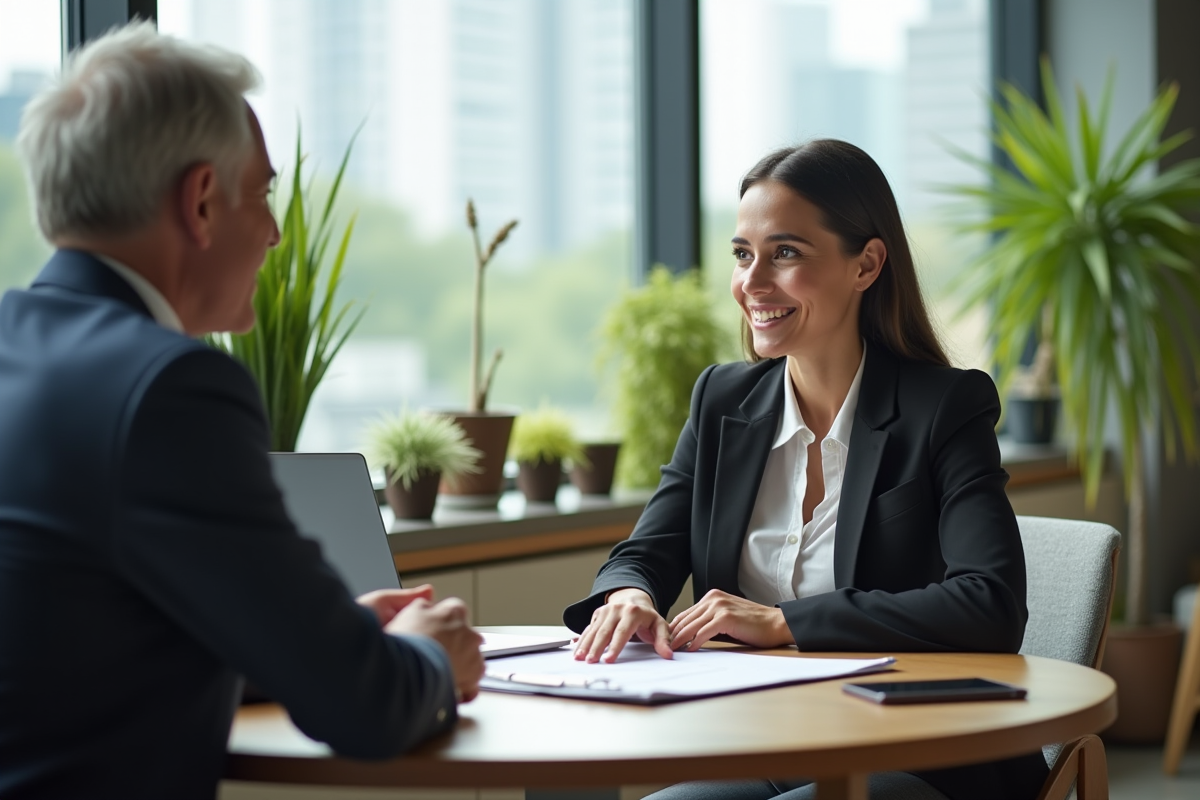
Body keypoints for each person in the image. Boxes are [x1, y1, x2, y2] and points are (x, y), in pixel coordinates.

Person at [0, 22, 483, 800]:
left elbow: (82, 642)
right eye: (262, 192)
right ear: (199, 201)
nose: (275, 231)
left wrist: (329, 633)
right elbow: (363, 709)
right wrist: (429, 658)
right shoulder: (167, 389)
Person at [563, 140, 1047, 800]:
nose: (752, 282)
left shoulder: (944, 407)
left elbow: (989, 604)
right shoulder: (721, 401)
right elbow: (646, 552)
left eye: (785, 253)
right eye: (742, 254)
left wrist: (787, 621)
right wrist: (630, 596)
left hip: (916, 752)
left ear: (866, 264)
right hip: (758, 742)